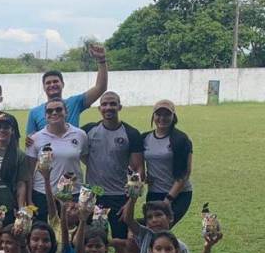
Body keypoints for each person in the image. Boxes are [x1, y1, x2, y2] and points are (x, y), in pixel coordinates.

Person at [81, 92, 144, 239]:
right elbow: (73, 145)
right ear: (99, 108)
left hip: (120, 197)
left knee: (120, 240)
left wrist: (131, 201)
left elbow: (139, 169)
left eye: (112, 104)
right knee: (94, 240)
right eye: (104, 104)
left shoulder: (131, 133)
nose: (108, 107)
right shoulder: (88, 130)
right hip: (94, 195)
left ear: (120, 107)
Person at [26, 98, 88, 222]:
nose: (54, 113)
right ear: (45, 115)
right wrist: (29, 199)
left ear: (66, 112)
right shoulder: (35, 138)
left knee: (71, 234)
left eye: (58, 109)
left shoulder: (80, 135)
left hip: (73, 194)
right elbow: (29, 172)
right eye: (49, 111)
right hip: (42, 193)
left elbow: (86, 160)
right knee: (45, 234)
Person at [26, 44, 108, 134]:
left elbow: (101, 88)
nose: (52, 84)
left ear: (63, 84)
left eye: (55, 81)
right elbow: (30, 141)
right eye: (48, 83)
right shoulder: (34, 113)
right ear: (44, 87)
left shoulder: (75, 102)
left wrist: (101, 60)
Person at [142, 100, 193, 225]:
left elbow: (185, 174)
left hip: (179, 194)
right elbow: (135, 162)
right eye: (158, 114)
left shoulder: (181, 139)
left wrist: (168, 200)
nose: (162, 118)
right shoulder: (145, 138)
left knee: (161, 227)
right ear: (153, 116)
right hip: (154, 193)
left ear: (173, 117)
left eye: (167, 114)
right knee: (153, 229)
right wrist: (143, 176)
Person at [123, 198, 190, 253]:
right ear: (146, 223)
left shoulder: (180, 247)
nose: (154, 220)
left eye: (158, 215)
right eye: (149, 217)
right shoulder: (145, 237)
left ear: (170, 218)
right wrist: (133, 198)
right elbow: (128, 219)